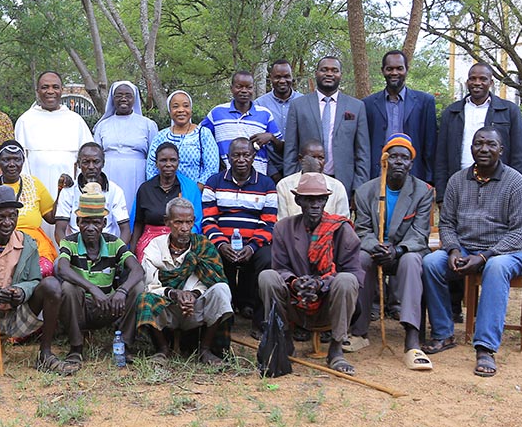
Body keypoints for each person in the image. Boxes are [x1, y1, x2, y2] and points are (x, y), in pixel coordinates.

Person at [421, 128, 522, 377]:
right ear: (470, 148)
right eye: (478, 144)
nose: (484, 149)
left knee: (496, 268)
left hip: (509, 251)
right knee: (430, 262)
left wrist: (485, 256)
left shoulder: (515, 182)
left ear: (500, 150)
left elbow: (521, 232)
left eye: (490, 144)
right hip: (465, 247)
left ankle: (485, 347)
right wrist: (451, 250)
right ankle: (443, 333)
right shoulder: (457, 180)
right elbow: (447, 223)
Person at [0, 186, 75, 382]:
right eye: (1, 217)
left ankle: (46, 354)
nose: (7, 222)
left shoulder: (27, 243)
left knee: (51, 285)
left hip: (18, 314)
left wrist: (22, 291)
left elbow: (35, 280)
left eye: (12, 216)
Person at [258, 173, 363, 375]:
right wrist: (296, 283)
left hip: (329, 301)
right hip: (295, 301)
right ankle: (284, 339)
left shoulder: (341, 229)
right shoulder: (283, 227)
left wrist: (321, 284)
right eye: (309, 199)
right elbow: (279, 268)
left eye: (319, 199)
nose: (315, 205)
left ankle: (336, 348)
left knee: (347, 280)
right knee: (267, 276)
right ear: (298, 200)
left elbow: (354, 272)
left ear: (326, 200)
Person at [353, 134, 434, 366]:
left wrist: (397, 250)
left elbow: (420, 234)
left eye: (404, 157)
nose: (398, 161)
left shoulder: (423, 191)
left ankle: (412, 340)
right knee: (360, 259)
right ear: (384, 161)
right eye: (393, 156)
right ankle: (359, 332)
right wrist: (375, 246)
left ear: (411, 163)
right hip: (376, 249)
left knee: (411, 262)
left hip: (403, 251)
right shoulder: (366, 191)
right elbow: (361, 230)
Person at [136, 197, 234, 365]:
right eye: (178, 222)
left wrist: (192, 295)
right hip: (168, 308)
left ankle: (205, 350)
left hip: (196, 308)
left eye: (188, 222)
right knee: (144, 298)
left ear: (193, 222)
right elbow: (150, 284)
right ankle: (162, 350)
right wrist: (174, 293)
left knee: (222, 290)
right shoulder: (155, 246)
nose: (184, 228)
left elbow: (214, 281)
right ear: (167, 222)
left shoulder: (203, 245)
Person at [56, 183, 146, 365]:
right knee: (68, 287)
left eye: (96, 222)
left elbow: (138, 270)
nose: (90, 227)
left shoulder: (114, 243)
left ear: (104, 224)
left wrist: (122, 291)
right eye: (85, 222)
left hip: (109, 305)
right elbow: (62, 268)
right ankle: (76, 347)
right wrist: (91, 288)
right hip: (82, 308)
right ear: (78, 223)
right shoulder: (69, 243)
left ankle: (125, 345)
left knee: (137, 286)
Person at [201, 138, 277, 337]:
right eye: (236, 155)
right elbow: (208, 219)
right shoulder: (214, 182)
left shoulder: (266, 184)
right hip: (223, 242)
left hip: (254, 244)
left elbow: (269, 222)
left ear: (253, 157)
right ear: (228, 157)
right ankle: (221, 320)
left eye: (246, 155)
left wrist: (252, 247)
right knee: (210, 256)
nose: (241, 159)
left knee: (267, 259)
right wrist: (221, 243)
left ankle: (260, 322)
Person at [434, 62, 522, 204]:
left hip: (498, 186)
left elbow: (519, 156)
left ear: (491, 82)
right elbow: (441, 157)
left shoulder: (509, 111)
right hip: (460, 185)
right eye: (473, 78)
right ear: (467, 82)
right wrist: (441, 196)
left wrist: (518, 193)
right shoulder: (452, 112)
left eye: (482, 79)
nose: (477, 83)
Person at [283, 57, 370, 200]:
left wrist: (358, 188)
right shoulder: (298, 106)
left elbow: (362, 153)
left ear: (341, 74)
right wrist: (292, 183)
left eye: (334, 70)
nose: (329, 74)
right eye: (324, 70)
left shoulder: (356, 107)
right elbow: (291, 149)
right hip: (305, 182)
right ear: (316, 73)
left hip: (343, 184)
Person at [0, 140, 58, 277]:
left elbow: (51, 217)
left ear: (23, 161)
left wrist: (62, 190)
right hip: (1, 245)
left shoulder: (34, 183)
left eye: (17, 159)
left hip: (35, 246)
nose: (12, 164)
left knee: (42, 271)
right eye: (6, 159)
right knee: (9, 273)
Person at [362, 51, 437, 182]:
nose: (394, 73)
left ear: (407, 69)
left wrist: (430, 180)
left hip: (414, 177)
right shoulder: (368, 104)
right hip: (378, 176)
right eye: (389, 69)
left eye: (399, 68)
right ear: (383, 71)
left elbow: (430, 145)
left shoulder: (425, 102)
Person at [14, 70, 94, 193]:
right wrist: (28, 191)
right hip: (35, 192)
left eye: (55, 87)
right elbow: (20, 161)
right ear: (38, 91)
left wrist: (79, 189)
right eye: (45, 87)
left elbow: (88, 158)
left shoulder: (76, 121)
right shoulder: (25, 120)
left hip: (69, 192)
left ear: (61, 90)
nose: (50, 91)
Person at [129, 142, 203, 260]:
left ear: (178, 162)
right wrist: (131, 253)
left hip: (182, 240)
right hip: (150, 243)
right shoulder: (145, 189)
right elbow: (138, 223)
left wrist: (180, 241)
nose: (168, 164)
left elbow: (196, 221)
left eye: (172, 160)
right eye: (163, 160)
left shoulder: (190, 188)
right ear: (156, 163)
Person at [200, 71, 283, 176]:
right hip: (224, 178)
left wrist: (271, 137)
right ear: (231, 88)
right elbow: (200, 136)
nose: (244, 91)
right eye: (239, 87)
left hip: (257, 178)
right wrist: (216, 159)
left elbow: (281, 147)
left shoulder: (265, 114)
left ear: (253, 89)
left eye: (249, 87)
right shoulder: (217, 113)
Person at [93, 80, 158, 206]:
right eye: (119, 95)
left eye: (128, 95)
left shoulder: (148, 125)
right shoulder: (102, 125)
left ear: (134, 99)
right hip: (108, 174)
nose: (123, 99)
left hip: (138, 175)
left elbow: (154, 156)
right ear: (112, 98)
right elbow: (96, 156)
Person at [54, 142, 131, 244]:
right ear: (78, 164)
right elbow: (59, 230)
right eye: (86, 162)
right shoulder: (68, 191)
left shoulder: (115, 191)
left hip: (107, 248)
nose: (91, 166)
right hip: (76, 248)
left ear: (103, 163)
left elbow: (125, 230)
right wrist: (68, 251)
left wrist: (117, 253)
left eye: (96, 162)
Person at [147, 90, 221, 185]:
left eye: (186, 106)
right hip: (164, 194)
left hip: (196, 194)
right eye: (175, 106)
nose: (181, 110)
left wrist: (193, 191)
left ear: (191, 109)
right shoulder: (160, 136)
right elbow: (151, 169)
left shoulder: (203, 134)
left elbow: (211, 168)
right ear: (170, 110)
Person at [254, 60, 302, 181]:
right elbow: (256, 142)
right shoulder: (259, 105)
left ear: (292, 77)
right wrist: (272, 172)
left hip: (298, 168)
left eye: (286, 76)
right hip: (269, 170)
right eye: (277, 77)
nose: (282, 81)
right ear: (270, 78)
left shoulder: (304, 102)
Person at [277, 140, 350, 219]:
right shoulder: (284, 185)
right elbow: (282, 222)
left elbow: (342, 222)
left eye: (320, 158)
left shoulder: (337, 187)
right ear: (300, 159)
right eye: (312, 158)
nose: (317, 162)